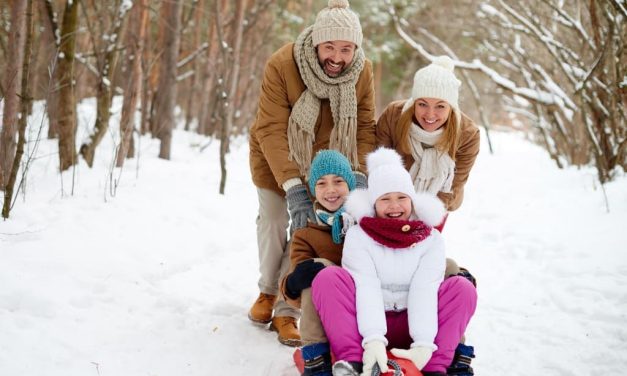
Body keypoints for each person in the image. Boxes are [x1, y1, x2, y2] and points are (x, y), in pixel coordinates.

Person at [247, 0, 376, 346]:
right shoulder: (283, 64)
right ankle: (266, 290)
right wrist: (292, 186)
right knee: (275, 220)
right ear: (316, 42)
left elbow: (364, 128)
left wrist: (359, 178)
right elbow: (271, 128)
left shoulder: (362, 72)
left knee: (307, 231)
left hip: (329, 167)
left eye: (346, 48)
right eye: (329, 47)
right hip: (279, 157)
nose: (337, 57)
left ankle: (286, 310)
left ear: (356, 48)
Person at [310, 148, 477, 376]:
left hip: (413, 322)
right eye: (385, 199)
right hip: (365, 324)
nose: (394, 206)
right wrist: (374, 340)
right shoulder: (359, 236)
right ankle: (352, 361)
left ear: (412, 200)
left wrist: (424, 343)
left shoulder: (430, 239)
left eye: (401, 198)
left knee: (462, 288)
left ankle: (434, 366)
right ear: (373, 203)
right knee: (328, 278)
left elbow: (425, 289)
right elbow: (365, 285)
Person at [376, 55, 480, 231]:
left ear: (451, 107)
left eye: (440, 106)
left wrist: (421, 220)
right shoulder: (394, 116)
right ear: (414, 103)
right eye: (423, 104)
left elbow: (455, 184)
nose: (430, 115)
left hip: (439, 199)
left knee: (421, 247)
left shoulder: (467, 134)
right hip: (391, 200)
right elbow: (380, 168)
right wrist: (397, 208)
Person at [279, 150, 355, 370]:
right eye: (321, 183)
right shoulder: (305, 233)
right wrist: (293, 283)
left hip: (369, 308)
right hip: (329, 316)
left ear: (350, 185)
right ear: (313, 190)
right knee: (316, 270)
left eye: (338, 181)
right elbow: (297, 297)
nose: (330, 190)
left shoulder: (366, 221)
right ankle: (315, 357)